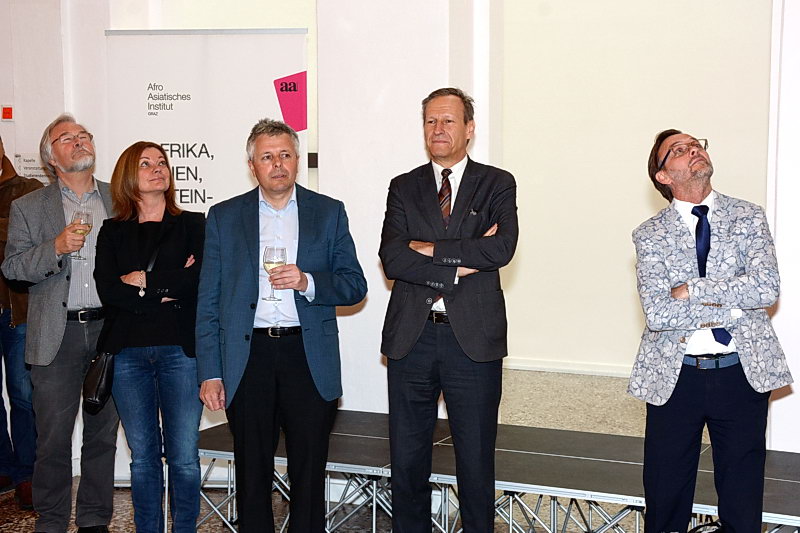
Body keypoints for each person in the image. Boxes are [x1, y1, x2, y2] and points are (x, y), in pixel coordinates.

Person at [196, 118, 367, 532]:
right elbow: (209, 300)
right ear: (252, 165)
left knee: (309, 470)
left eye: (285, 155)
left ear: (297, 161)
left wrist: (308, 282)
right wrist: (210, 371)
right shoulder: (223, 216)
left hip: (306, 356)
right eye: (267, 157)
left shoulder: (328, 212)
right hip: (247, 356)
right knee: (251, 471)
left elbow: (354, 285)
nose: (278, 164)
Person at [630, 129, 794, 532]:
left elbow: (766, 288)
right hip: (675, 377)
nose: (693, 151)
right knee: (666, 497)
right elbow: (659, 312)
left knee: (742, 497)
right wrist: (732, 301)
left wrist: (692, 289)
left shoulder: (748, 216)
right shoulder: (649, 234)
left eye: (696, 145)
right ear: (663, 175)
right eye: (679, 150)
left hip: (742, 371)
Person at [379, 87, 518, 532]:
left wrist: (428, 249)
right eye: (431, 121)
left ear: (469, 129)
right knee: (407, 461)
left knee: (475, 463)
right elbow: (392, 258)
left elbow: (501, 248)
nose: (438, 129)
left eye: (448, 120)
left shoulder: (497, 183)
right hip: (412, 337)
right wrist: (459, 265)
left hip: (473, 341)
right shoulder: (403, 186)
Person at [1, 114, 119, 533]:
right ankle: (51, 521)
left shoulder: (119, 198)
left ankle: (94, 520)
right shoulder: (29, 206)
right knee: (52, 438)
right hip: (56, 334)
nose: (78, 141)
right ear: (50, 157)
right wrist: (55, 246)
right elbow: (13, 268)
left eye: (83, 135)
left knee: (103, 435)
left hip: (110, 332)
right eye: (66, 138)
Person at [94, 141, 205, 532]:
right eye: (146, 164)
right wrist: (166, 288)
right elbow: (109, 291)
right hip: (127, 355)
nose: (158, 168)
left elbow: (198, 280)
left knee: (184, 457)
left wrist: (142, 281)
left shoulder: (194, 224)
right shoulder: (112, 231)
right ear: (128, 175)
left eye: (162, 162)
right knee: (142, 458)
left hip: (181, 352)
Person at [0, 133, 42, 510]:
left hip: (20, 312)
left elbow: (31, 242)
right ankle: (5, 467)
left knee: (23, 394)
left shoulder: (27, 190)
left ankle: (29, 474)